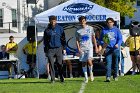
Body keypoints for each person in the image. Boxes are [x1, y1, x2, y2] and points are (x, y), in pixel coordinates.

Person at [43, 15, 66, 83]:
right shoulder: (47, 30)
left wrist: (64, 48)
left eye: (54, 21)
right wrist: (46, 50)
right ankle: (53, 79)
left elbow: (63, 39)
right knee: (51, 64)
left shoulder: (60, 28)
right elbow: (45, 41)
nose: (53, 22)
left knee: (59, 64)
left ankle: (61, 78)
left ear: (56, 21)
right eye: (52, 21)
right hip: (50, 49)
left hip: (59, 48)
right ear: (49, 21)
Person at [76, 16, 98, 83]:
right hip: (82, 48)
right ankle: (86, 77)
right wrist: (78, 49)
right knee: (83, 62)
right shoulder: (78, 30)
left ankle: (91, 73)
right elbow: (77, 40)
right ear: (79, 22)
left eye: (83, 21)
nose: (82, 22)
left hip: (89, 47)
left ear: (85, 21)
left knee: (89, 60)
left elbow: (94, 38)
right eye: (81, 21)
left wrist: (96, 47)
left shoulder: (90, 28)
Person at [99, 18, 122, 82]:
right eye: (108, 22)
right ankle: (108, 77)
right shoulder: (104, 30)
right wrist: (103, 43)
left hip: (115, 49)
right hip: (107, 49)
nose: (109, 23)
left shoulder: (117, 30)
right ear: (106, 23)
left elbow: (120, 39)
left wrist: (118, 44)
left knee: (116, 63)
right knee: (108, 63)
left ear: (113, 23)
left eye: (110, 22)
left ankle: (115, 76)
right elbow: (100, 40)